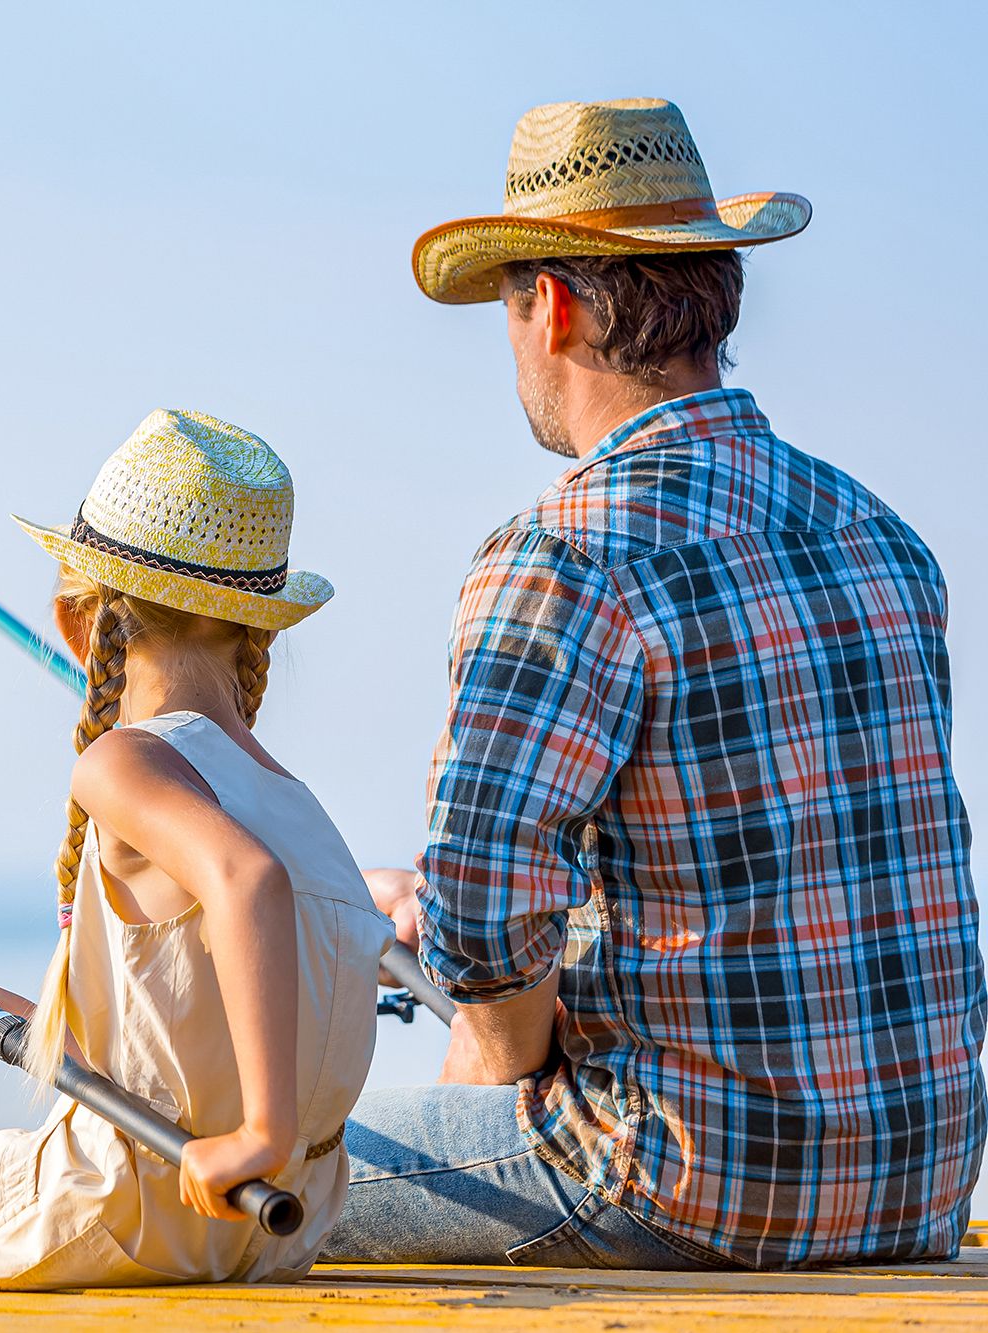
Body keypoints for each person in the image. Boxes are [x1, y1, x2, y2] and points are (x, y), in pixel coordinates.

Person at [325, 98, 985, 1270]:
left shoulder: (562, 553)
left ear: (556, 306)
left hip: (678, 1184)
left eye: (507, 302)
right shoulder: (879, 535)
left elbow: (482, 927)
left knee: (230, 1159)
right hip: (914, 1186)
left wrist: (501, 1038)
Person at [0, 409, 394, 1289]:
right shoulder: (296, 800)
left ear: (77, 620)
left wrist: (258, 1137)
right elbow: (173, 1048)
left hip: (135, 1200)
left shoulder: (124, 761)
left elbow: (249, 884)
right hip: (279, 1220)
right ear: (259, 631)